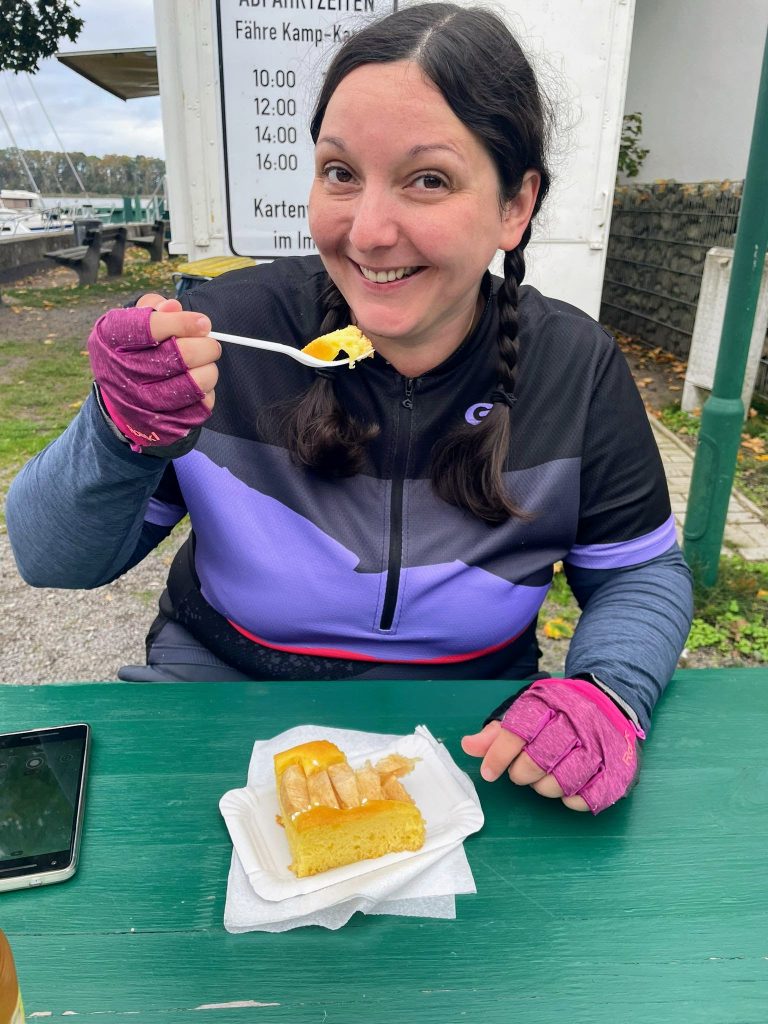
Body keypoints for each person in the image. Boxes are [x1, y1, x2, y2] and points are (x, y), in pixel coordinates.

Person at [6, 3, 692, 814]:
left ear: (516, 205)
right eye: (340, 173)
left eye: (427, 180)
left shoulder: (574, 368)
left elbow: (639, 573)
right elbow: (54, 560)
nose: (367, 232)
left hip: (471, 734)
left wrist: (608, 691)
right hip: (218, 700)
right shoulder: (228, 333)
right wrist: (117, 432)